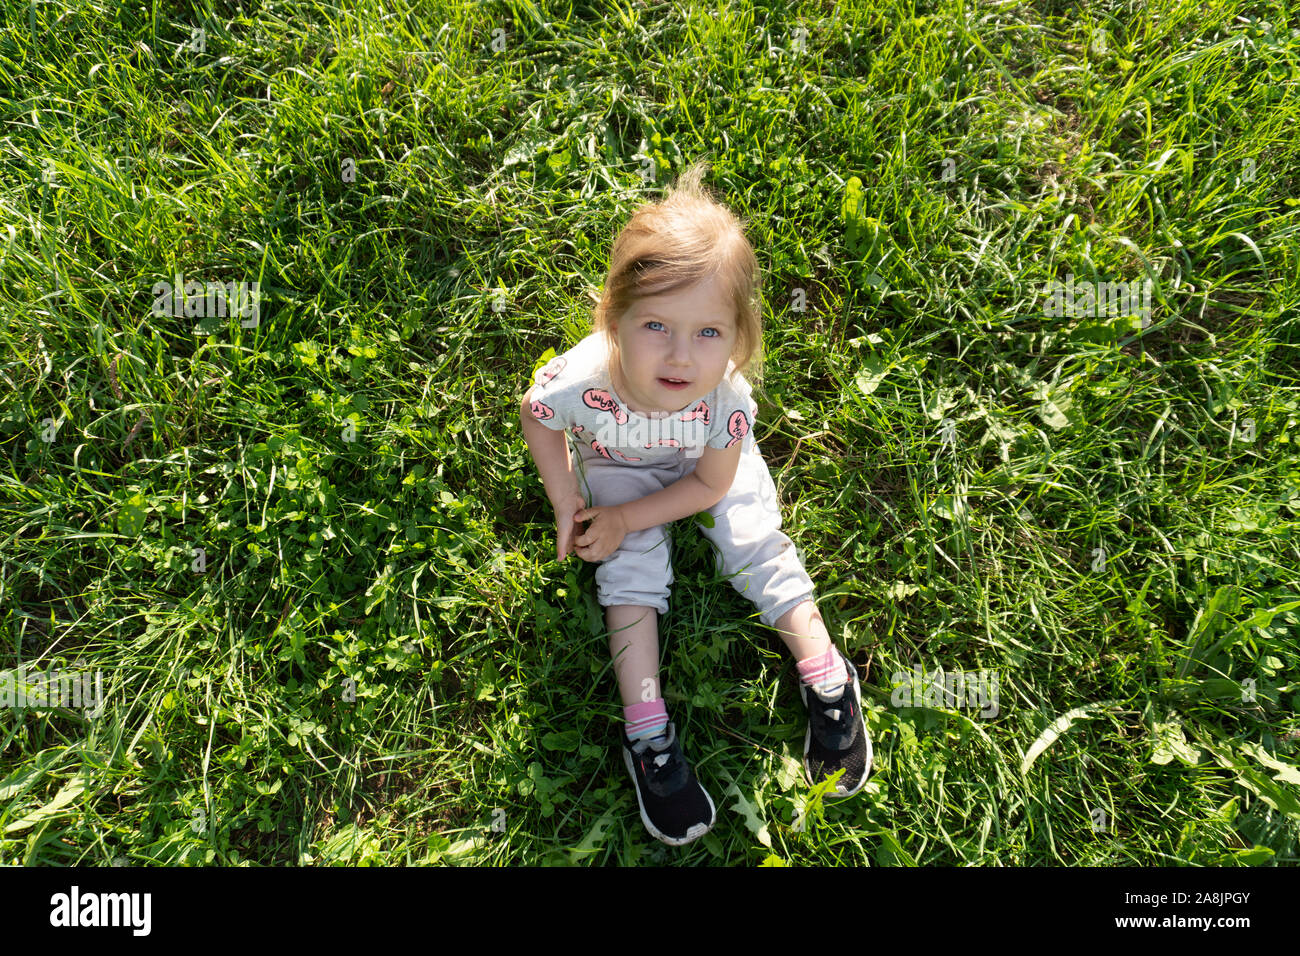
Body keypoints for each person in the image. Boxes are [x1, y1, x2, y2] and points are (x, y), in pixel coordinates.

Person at [518, 160, 870, 846]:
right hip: (617, 464)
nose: (681, 356)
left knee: (750, 536)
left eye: (708, 333)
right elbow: (536, 414)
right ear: (613, 317)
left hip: (705, 465)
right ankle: (647, 730)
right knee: (629, 571)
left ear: (737, 336)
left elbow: (710, 487)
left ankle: (826, 673)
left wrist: (625, 518)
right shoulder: (583, 378)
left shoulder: (724, 400)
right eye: (656, 326)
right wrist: (569, 498)